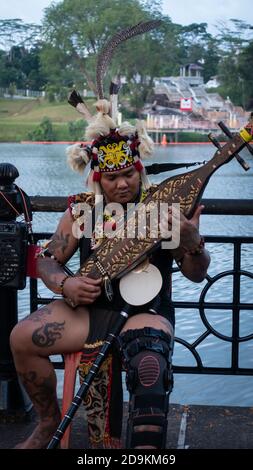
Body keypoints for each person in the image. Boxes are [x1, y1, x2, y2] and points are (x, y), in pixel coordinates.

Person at [10, 99, 210, 449]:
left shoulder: (163, 208)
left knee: (149, 364)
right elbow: (46, 260)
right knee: (21, 338)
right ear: (98, 177)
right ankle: (47, 423)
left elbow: (195, 274)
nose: (122, 184)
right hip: (87, 312)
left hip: (144, 312)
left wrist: (193, 243)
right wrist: (66, 283)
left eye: (129, 174)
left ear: (140, 169)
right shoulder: (82, 209)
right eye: (113, 177)